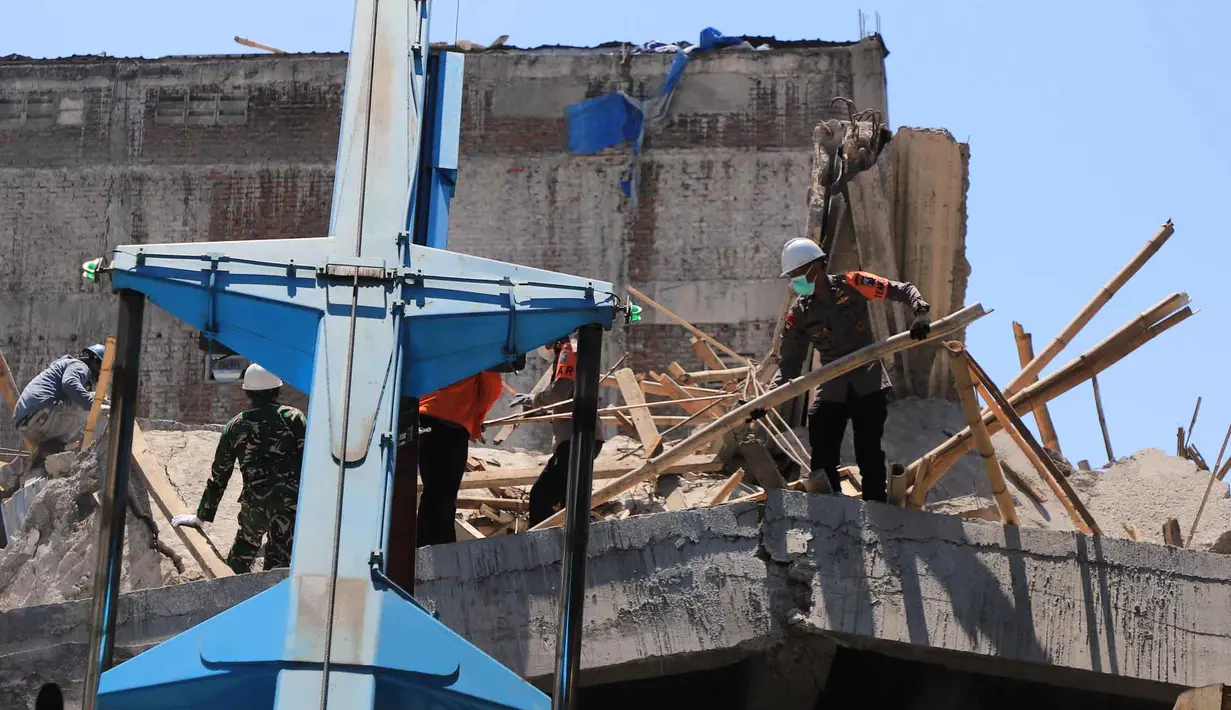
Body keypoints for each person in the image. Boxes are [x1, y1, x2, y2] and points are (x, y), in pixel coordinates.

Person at [773, 237, 932, 503]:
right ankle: (830, 507)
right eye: (791, 276)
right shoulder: (799, 314)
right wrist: (767, 398)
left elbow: (901, 290)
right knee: (822, 449)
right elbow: (789, 364)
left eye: (798, 273)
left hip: (867, 381)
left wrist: (921, 311)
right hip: (831, 385)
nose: (795, 281)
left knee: (868, 451)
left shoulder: (855, 284)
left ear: (816, 267)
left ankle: (875, 508)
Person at [171, 363, 306, 574]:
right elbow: (311, 460)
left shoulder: (235, 425)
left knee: (241, 558)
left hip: (255, 505)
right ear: (278, 389)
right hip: (290, 505)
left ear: (247, 392)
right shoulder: (293, 418)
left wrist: (201, 516)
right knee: (278, 566)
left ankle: (230, 596)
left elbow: (219, 475)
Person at [512, 337, 605, 526]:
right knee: (569, 501)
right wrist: (540, 407)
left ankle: (541, 546)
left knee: (540, 496)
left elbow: (559, 392)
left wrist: (535, 400)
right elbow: (567, 397)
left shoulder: (567, 351)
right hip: (584, 435)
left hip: (575, 438)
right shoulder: (579, 350)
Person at [415, 369, 505, 546]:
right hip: (452, 426)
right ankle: (435, 557)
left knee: (433, 494)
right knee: (444, 497)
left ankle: (427, 551)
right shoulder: (480, 348)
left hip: (424, 419)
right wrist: (476, 420)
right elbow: (491, 391)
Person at [11, 344, 107, 466]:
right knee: (95, 401)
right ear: (95, 361)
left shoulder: (61, 367)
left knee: (81, 400)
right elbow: (70, 384)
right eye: (100, 369)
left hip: (26, 425)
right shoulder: (80, 366)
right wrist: (96, 405)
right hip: (41, 415)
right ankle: (94, 455)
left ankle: (50, 449)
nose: (98, 375)